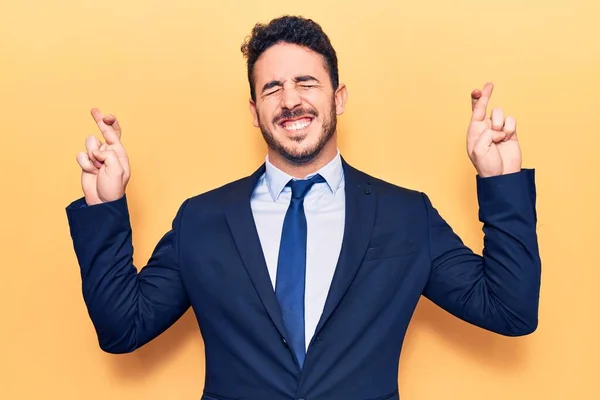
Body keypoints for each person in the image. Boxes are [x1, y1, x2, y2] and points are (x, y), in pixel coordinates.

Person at [65, 15, 541, 400]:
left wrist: (499, 180)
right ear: (254, 112)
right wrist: (105, 205)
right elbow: (122, 328)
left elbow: (510, 310)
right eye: (272, 88)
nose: (290, 100)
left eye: (306, 83)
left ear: (338, 97)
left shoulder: (405, 215)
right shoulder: (202, 220)